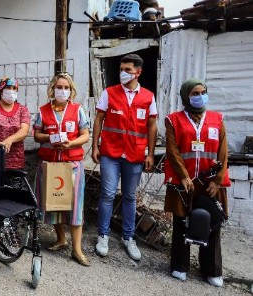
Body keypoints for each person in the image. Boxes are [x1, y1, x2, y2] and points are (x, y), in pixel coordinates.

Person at [163, 79, 230, 287]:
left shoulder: (217, 119)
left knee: (211, 224)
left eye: (203, 92)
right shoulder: (173, 120)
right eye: (195, 92)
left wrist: (218, 181)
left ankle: (212, 270)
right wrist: (183, 175)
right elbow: (172, 150)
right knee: (181, 223)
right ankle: (179, 266)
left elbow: (223, 152)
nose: (200, 95)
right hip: (185, 183)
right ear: (185, 96)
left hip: (210, 183)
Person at [91, 53, 158, 261]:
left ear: (138, 72)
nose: (123, 73)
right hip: (110, 153)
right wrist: (95, 146)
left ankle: (129, 237)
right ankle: (103, 235)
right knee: (108, 194)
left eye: (128, 70)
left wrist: (150, 154)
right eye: (121, 69)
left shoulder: (148, 96)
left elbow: (152, 126)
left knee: (129, 197)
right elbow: (99, 119)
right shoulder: (109, 93)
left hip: (135, 154)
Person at [33, 73, 90, 266]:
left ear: (71, 90)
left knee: (75, 207)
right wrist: (49, 138)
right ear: (52, 88)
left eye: (66, 87)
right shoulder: (43, 111)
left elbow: (85, 135)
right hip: (50, 165)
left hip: (72, 165)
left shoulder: (77, 110)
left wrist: (71, 143)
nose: (62, 90)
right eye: (59, 87)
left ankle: (77, 249)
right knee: (55, 204)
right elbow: (36, 134)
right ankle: (60, 239)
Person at [0, 77, 30, 170]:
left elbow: (24, 131)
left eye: (14, 88)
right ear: (1, 90)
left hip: (15, 163)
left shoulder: (23, 110)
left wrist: (9, 140)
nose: (11, 91)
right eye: (8, 87)